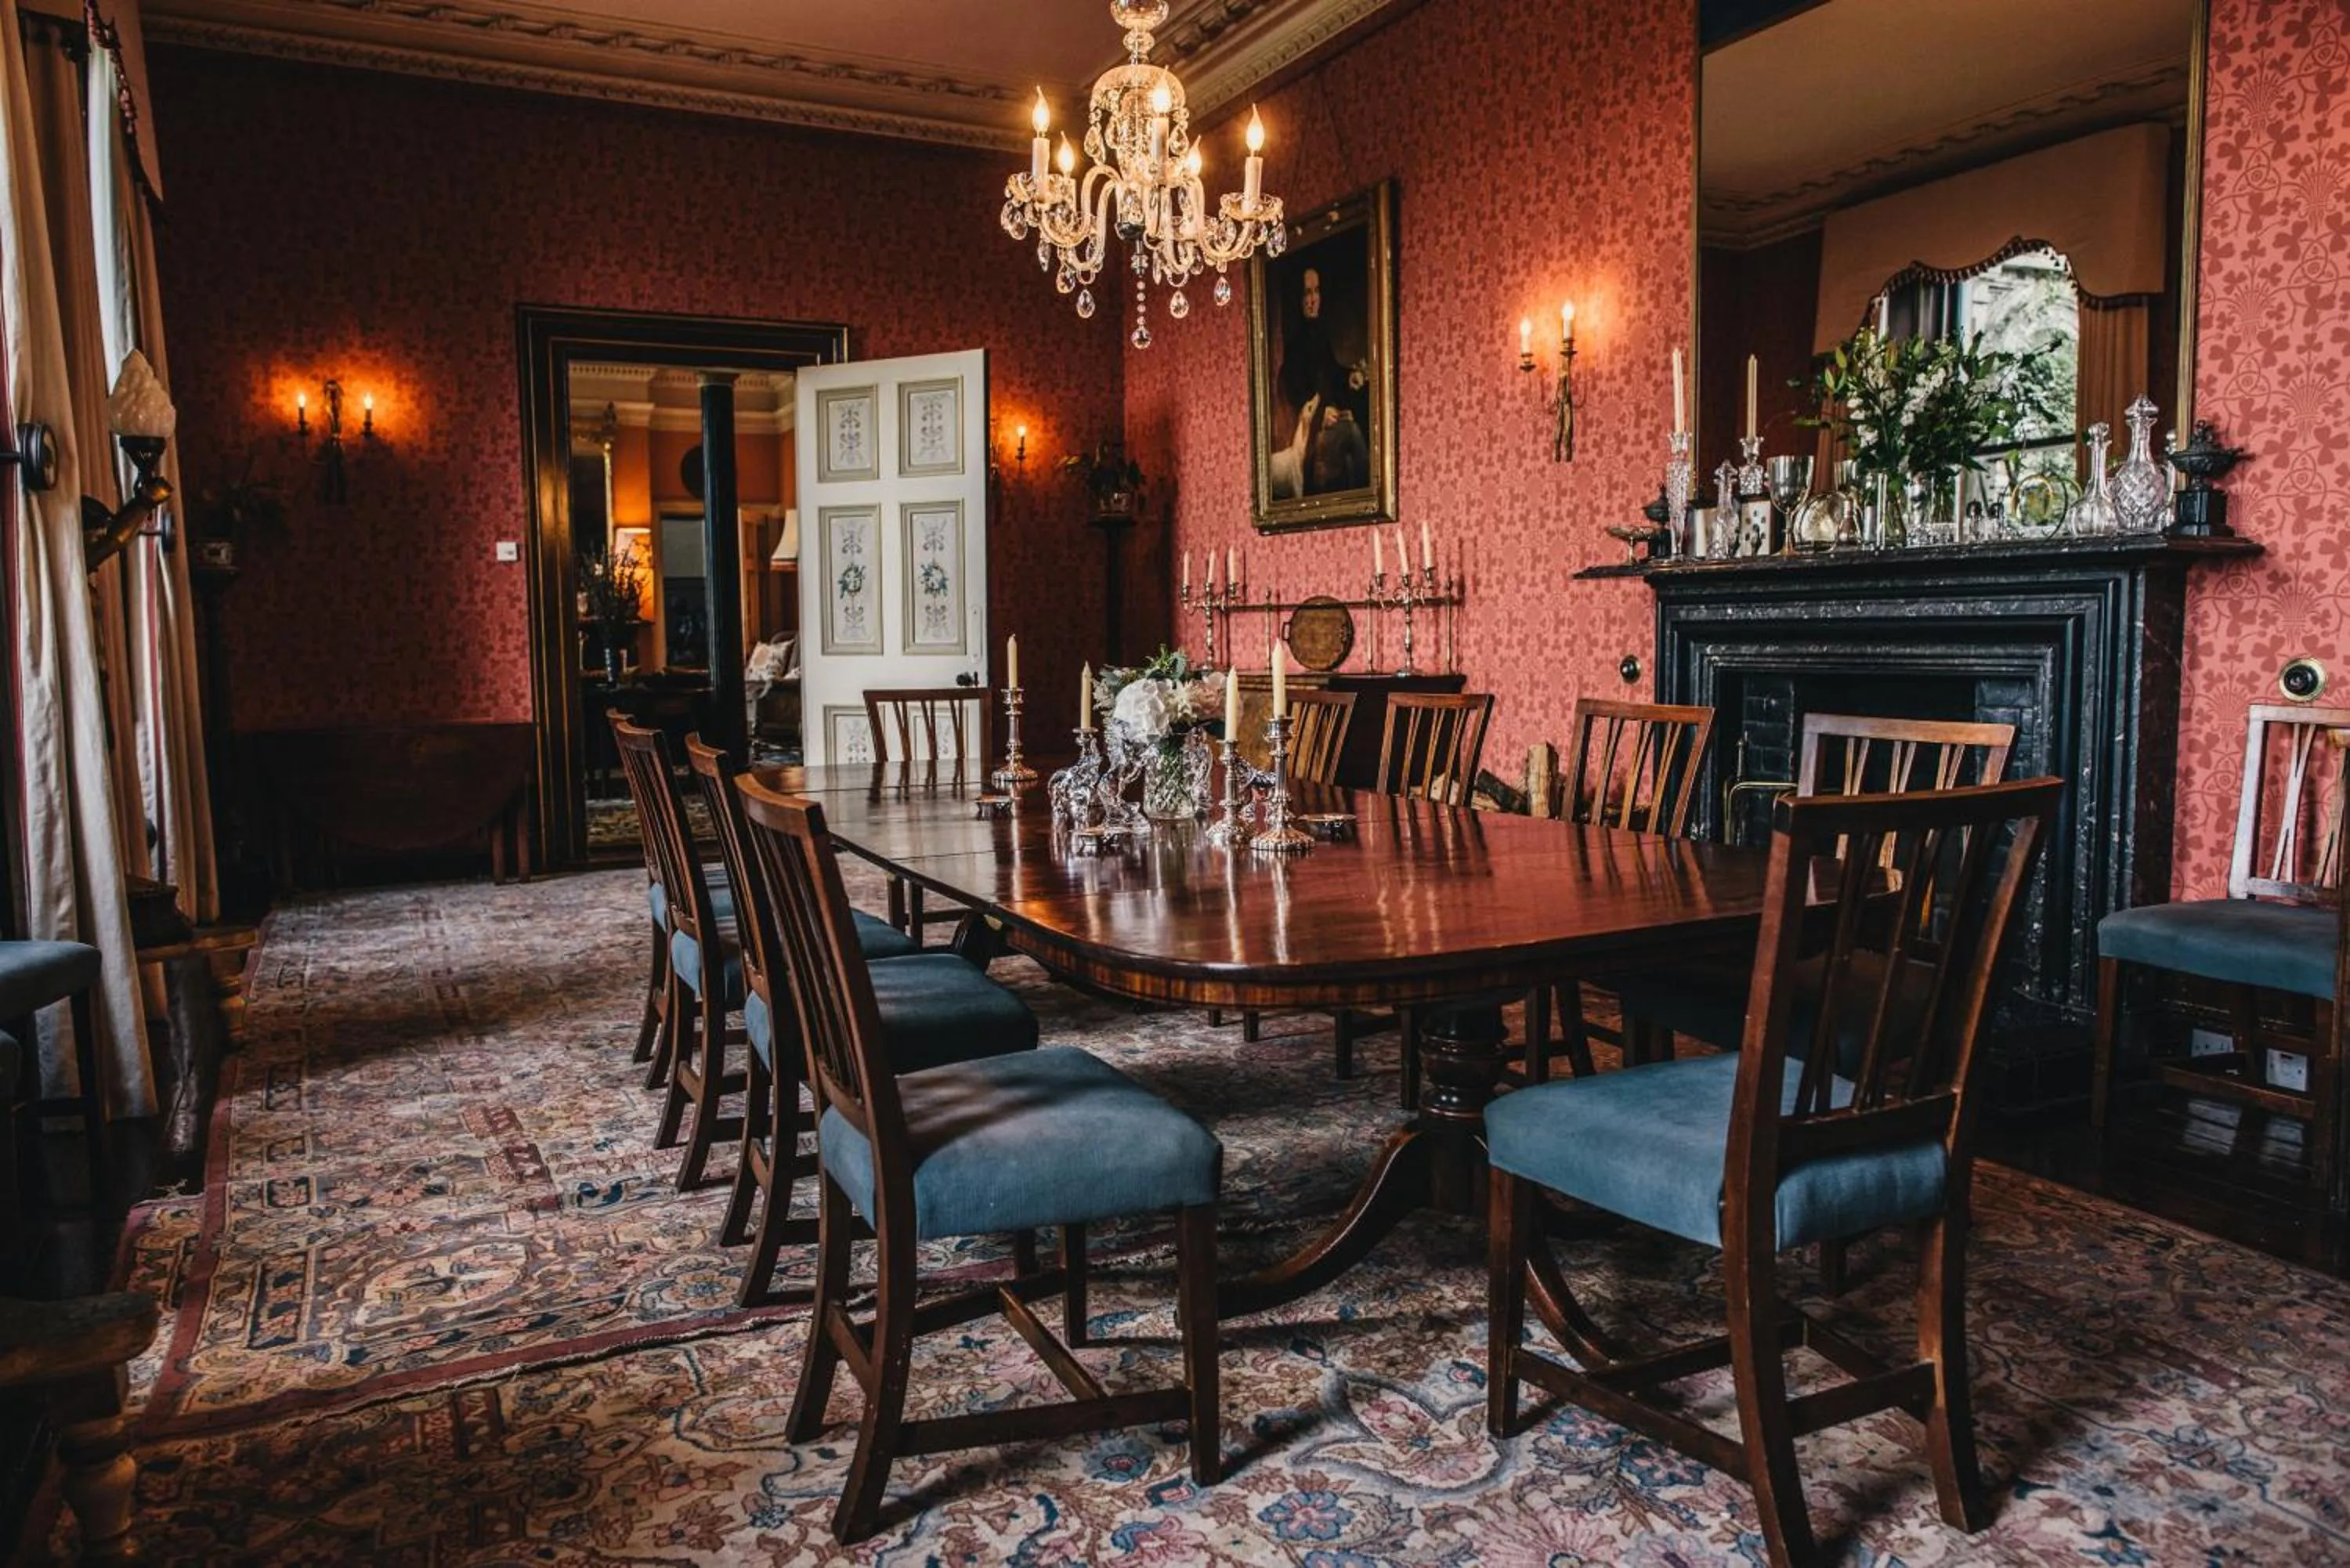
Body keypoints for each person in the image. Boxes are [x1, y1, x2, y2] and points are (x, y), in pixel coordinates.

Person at [1273, 265, 1370, 497]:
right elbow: (1296, 399)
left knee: (1358, 422)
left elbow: (1332, 374)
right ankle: (1369, 495)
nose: (1313, 300)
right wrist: (1320, 415)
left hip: (1326, 428)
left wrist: (1351, 377)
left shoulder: (1320, 337)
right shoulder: (1295, 347)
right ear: (1299, 298)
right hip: (1308, 439)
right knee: (1352, 433)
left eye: (1316, 292)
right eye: (1307, 293)